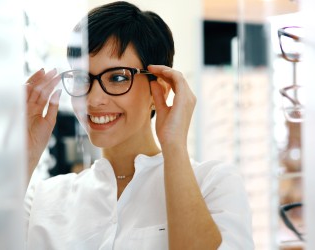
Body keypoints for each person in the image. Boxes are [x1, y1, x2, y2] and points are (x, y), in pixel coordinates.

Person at [24, 1, 254, 249]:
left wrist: (174, 144)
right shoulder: (44, 198)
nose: (94, 99)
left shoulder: (213, 184)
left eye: (118, 77)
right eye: (81, 79)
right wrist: (25, 154)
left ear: (159, 89)